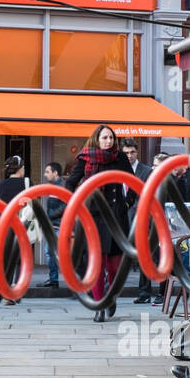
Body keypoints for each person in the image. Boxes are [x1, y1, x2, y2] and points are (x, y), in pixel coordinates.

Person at [65, 125, 132, 322]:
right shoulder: (86, 158)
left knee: (114, 266)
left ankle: (111, 298)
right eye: (104, 138)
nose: (108, 141)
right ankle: (99, 305)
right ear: (97, 139)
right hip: (94, 216)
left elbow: (134, 182)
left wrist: (127, 203)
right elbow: (70, 183)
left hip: (116, 216)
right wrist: (77, 202)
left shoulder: (119, 157)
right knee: (97, 263)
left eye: (111, 138)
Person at [0, 155, 29, 305]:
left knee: (8, 257)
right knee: (22, 258)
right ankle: (18, 290)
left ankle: (7, 291)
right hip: (24, 222)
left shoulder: (2, 185)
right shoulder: (27, 182)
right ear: (21, 168)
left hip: (7, 222)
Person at [42, 161, 65, 290]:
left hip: (59, 225)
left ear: (55, 173)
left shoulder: (61, 186)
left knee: (55, 253)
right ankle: (53, 279)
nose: (45, 175)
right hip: (54, 225)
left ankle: (55, 279)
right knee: (50, 252)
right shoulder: (54, 186)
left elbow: (65, 205)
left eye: (47, 172)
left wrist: (52, 215)